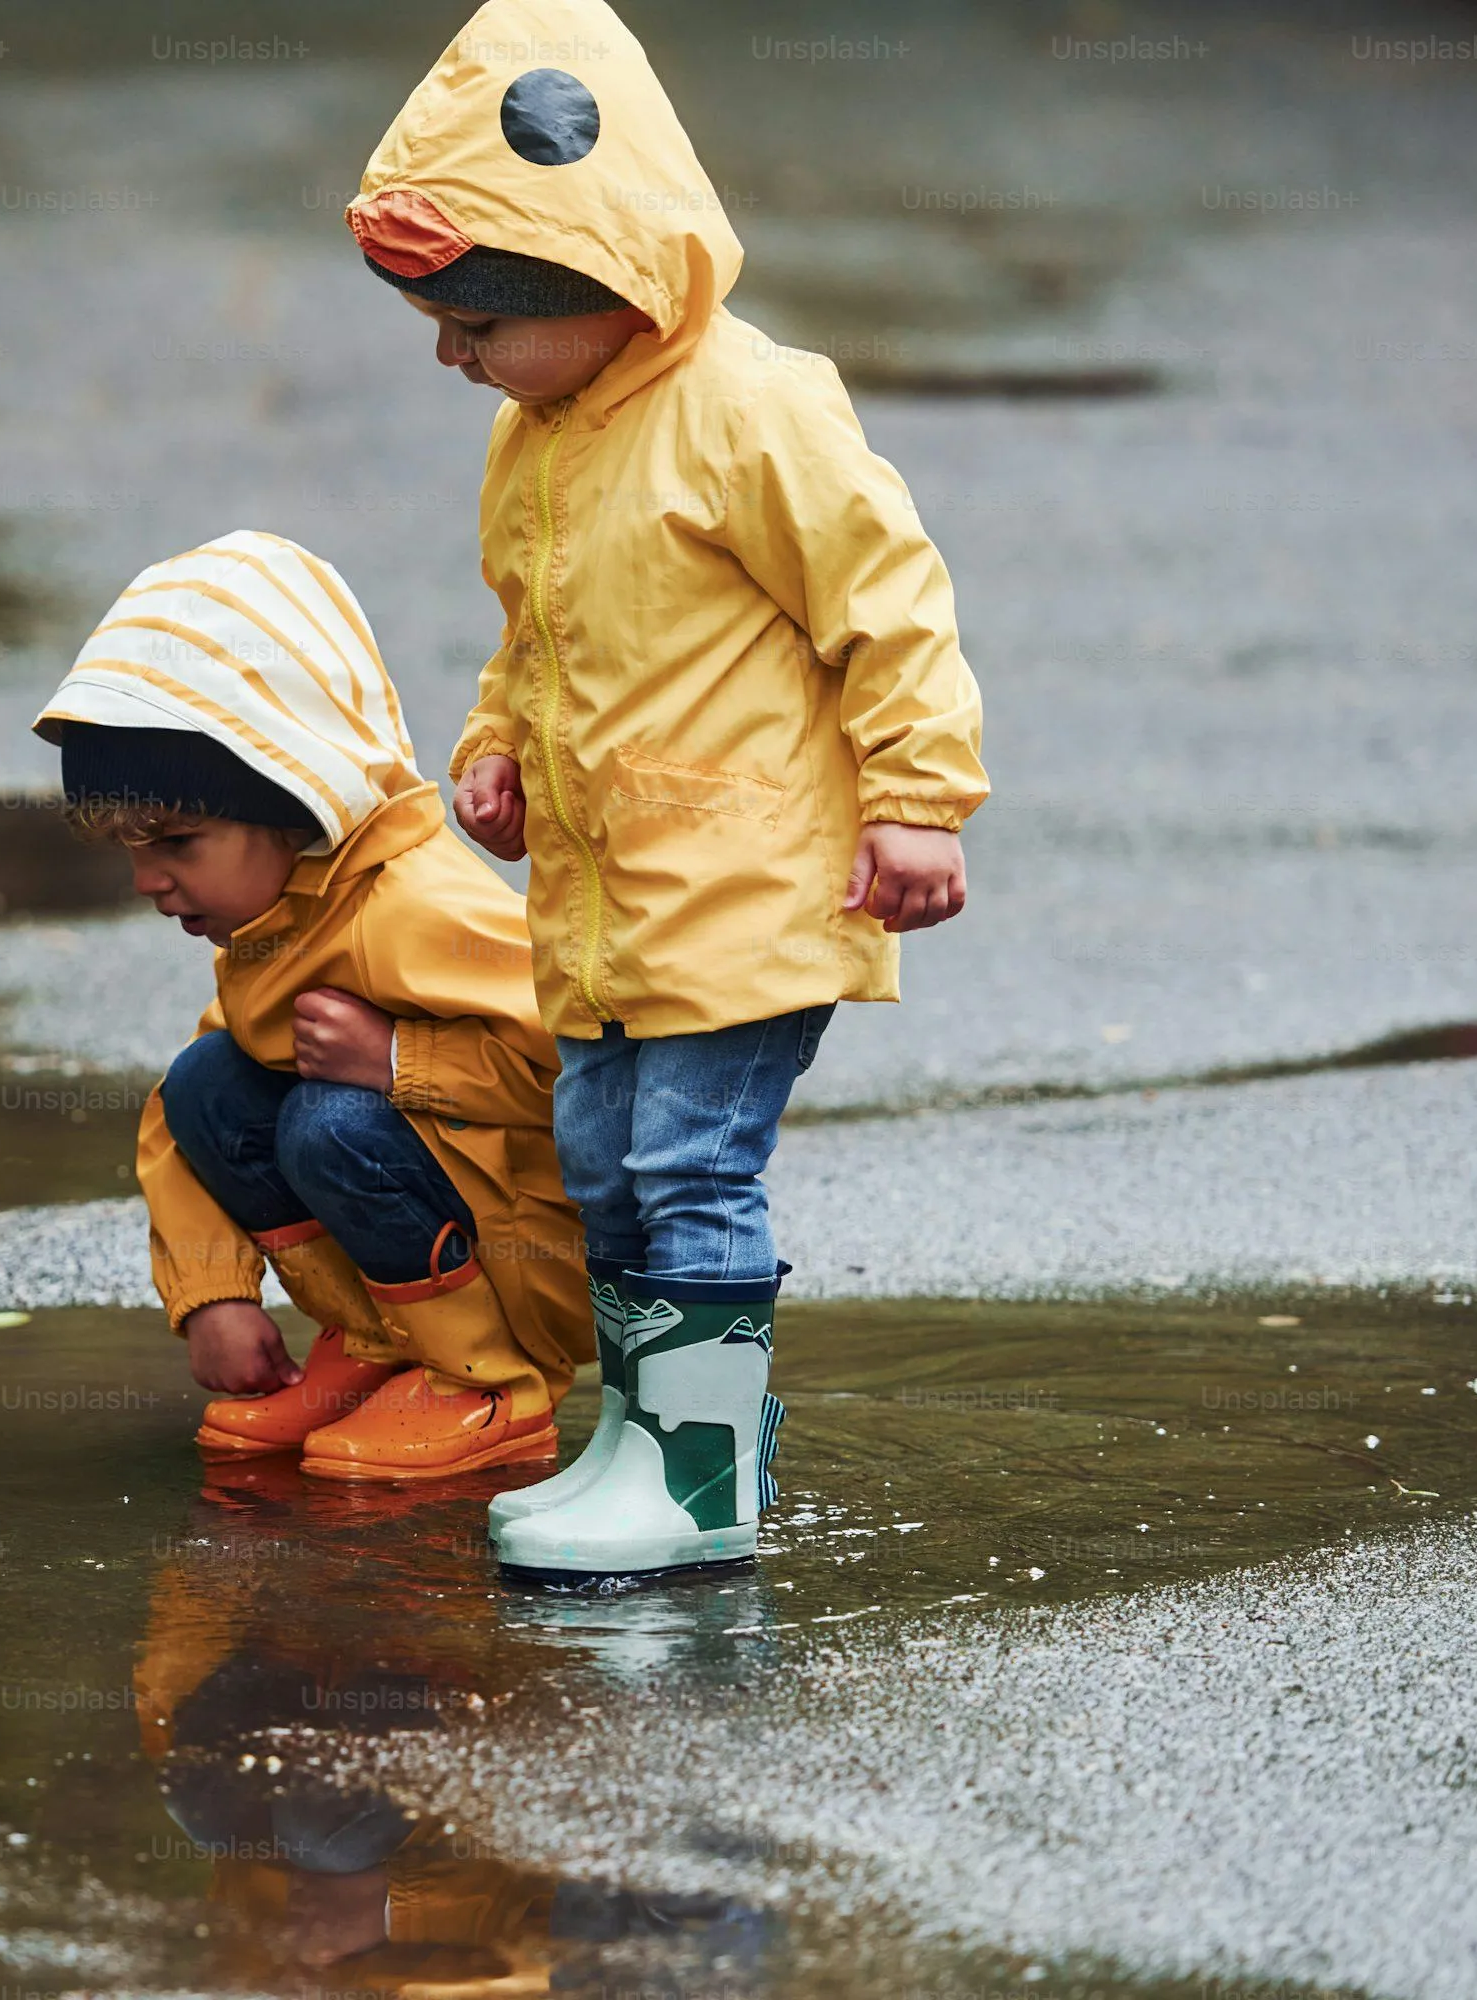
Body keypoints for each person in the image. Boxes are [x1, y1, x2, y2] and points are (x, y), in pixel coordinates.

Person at [345, 0, 990, 1577]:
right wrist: (493, 750)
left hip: (749, 891)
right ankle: (651, 1437)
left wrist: (918, 795)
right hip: (609, 902)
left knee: (692, 1168)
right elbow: (534, 630)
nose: (454, 354)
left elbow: (885, 598)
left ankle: (700, 1481)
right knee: (604, 1164)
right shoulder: (538, 436)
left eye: (477, 320)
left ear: (601, 280)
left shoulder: (750, 409)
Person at [34, 530, 589, 1482]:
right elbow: (181, 1121)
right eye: (127, 847)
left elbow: (588, 1066)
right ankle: (379, 1346)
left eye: (174, 839)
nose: (147, 879)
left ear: (293, 791)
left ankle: (489, 1384)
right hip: (433, 1239)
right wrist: (212, 1295)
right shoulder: (286, 914)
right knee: (208, 1084)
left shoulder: (411, 907)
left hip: (532, 1263)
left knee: (334, 1120)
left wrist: (399, 1063)